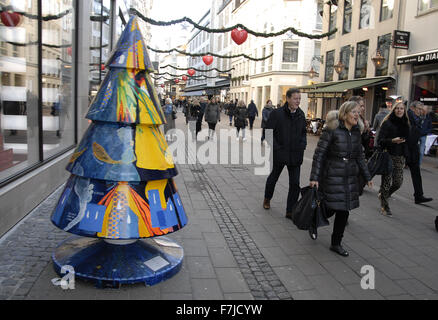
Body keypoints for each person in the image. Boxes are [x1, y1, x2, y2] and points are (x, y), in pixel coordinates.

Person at [309, 102, 373, 257]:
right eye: (354, 112)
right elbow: (319, 155)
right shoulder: (332, 129)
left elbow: (359, 155)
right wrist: (314, 177)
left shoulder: (357, 131)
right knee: (330, 207)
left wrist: (367, 176)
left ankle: (336, 243)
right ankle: (314, 220)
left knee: (344, 210)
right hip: (332, 173)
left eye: (358, 112)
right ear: (345, 113)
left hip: (349, 175)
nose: (357, 115)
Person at [263, 88, 307, 219]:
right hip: (280, 154)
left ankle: (290, 210)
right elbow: (268, 133)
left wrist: (302, 145)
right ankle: (267, 198)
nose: (298, 101)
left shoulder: (301, 114)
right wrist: (276, 148)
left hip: (295, 155)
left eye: (299, 99)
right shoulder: (277, 113)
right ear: (287, 99)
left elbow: (303, 133)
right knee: (273, 178)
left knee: (295, 184)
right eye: (295, 98)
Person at [377, 102, 410, 216]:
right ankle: (385, 206)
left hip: (400, 157)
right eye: (397, 108)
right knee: (386, 182)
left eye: (401, 109)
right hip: (388, 155)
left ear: (404, 111)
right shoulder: (387, 123)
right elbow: (380, 141)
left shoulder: (406, 124)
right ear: (393, 110)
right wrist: (392, 140)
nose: (399, 110)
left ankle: (383, 194)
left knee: (398, 183)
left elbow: (408, 141)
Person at [407, 101, 433, 204]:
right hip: (404, 149)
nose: (420, 111)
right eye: (419, 109)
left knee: (416, 172)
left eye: (421, 109)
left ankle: (419, 195)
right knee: (391, 171)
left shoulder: (419, 119)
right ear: (413, 108)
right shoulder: (408, 116)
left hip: (413, 149)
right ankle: (363, 181)